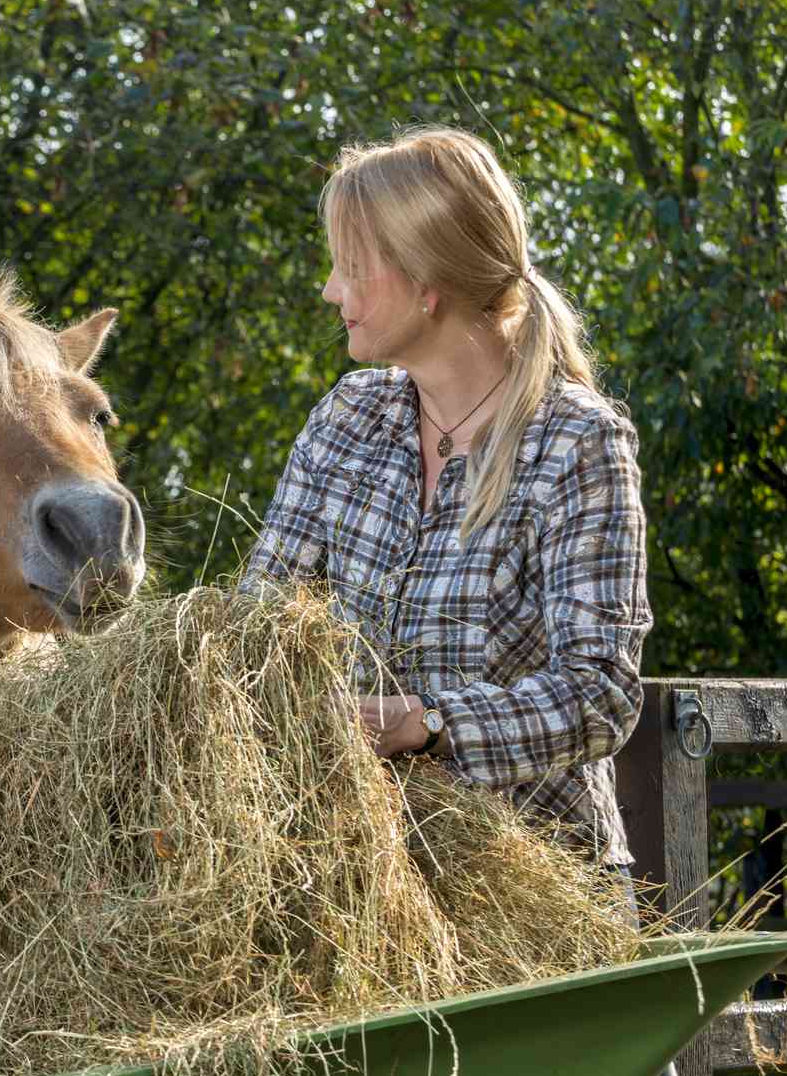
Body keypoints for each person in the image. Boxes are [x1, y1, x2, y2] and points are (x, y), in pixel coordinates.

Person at [242, 124, 652, 871]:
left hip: (534, 891)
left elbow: (600, 694)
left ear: (424, 282)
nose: (331, 291)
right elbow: (254, 627)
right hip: (359, 879)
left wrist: (426, 723)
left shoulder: (574, 443)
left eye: (351, 269)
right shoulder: (349, 418)